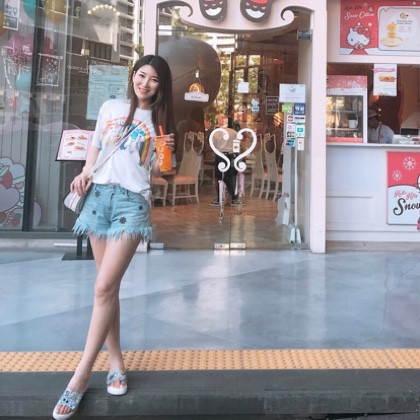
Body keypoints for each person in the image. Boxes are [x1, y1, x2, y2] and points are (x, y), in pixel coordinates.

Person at [52, 55, 176, 420]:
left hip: (131, 203)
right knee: (108, 290)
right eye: (141, 75)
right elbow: (95, 146)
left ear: (161, 86)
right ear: (133, 75)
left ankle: (80, 376)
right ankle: (116, 362)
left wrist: (164, 150)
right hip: (97, 199)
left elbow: (161, 170)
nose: (145, 83)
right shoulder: (111, 107)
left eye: (154, 79)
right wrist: (85, 173)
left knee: (104, 287)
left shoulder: (160, 121)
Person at [210, 127, 242, 207]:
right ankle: (234, 199)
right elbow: (237, 145)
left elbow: (213, 145)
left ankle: (220, 199)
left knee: (220, 177)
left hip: (220, 156)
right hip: (232, 155)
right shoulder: (234, 132)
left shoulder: (216, 133)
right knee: (232, 177)